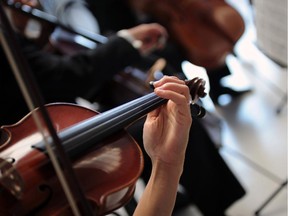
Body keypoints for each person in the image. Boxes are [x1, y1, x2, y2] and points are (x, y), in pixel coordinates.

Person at [1, 2, 246, 215]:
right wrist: (125, 42)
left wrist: (23, 27)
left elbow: (38, 67)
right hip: (40, 137)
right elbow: (62, 76)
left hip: (33, 136)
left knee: (161, 122)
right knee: (151, 135)